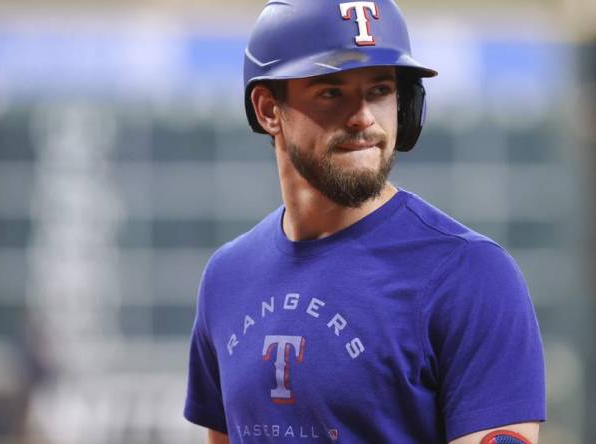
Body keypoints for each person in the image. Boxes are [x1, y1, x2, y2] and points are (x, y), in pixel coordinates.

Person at [183, 1, 546, 443]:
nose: (363, 117)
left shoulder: (472, 275)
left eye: (379, 91)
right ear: (268, 110)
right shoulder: (227, 276)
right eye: (331, 92)